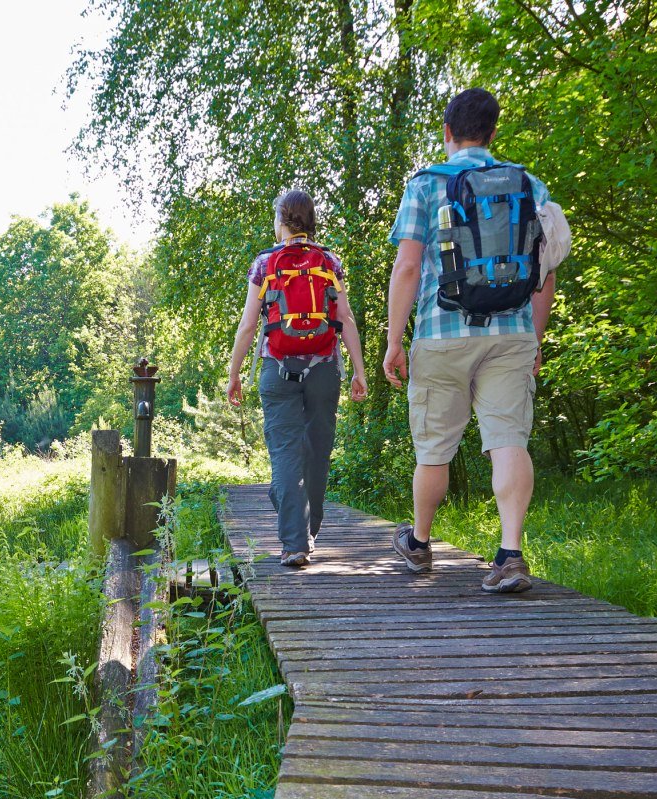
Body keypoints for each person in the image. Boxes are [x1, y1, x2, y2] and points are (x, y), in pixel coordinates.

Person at [382, 87, 557, 593]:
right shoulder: (528, 186)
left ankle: (418, 544)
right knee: (508, 441)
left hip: (442, 333)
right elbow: (544, 275)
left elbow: (409, 265)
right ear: (494, 133)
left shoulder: (426, 185)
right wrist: (535, 338)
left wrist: (394, 341)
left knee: (433, 448)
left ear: (447, 132)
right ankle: (509, 554)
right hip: (511, 333)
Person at [227, 189, 369, 568]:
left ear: (282, 220)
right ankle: (308, 530)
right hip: (323, 369)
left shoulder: (265, 264)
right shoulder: (329, 261)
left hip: (277, 368)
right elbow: (346, 319)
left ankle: (295, 544)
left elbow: (247, 326)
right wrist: (359, 370)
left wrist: (234, 373)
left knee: (286, 455)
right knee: (317, 454)